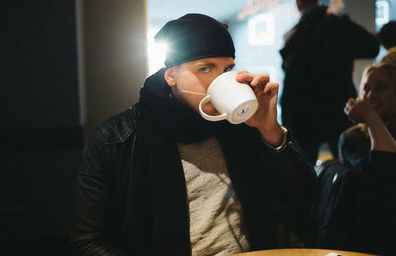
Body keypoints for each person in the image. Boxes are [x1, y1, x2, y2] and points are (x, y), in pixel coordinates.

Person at [69, 14, 317, 256]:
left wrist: (271, 131)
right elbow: (87, 243)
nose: (218, 80)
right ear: (171, 75)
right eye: (205, 68)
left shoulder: (240, 128)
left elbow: (302, 202)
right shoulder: (116, 139)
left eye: (227, 68)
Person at [280, 0, 379, 165]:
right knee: (348, 163)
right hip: (338, 106)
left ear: (298, 3)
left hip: (303, 112)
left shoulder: (293, 35)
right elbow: (372, 47)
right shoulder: (339, 25)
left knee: (304, 171)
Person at [314, 63, 396, 255]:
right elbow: (385, 173)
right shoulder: (353, 138)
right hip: (376, 235)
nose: (371, 95)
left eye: (381, 87)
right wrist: (370, 118)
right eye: (366, 88)